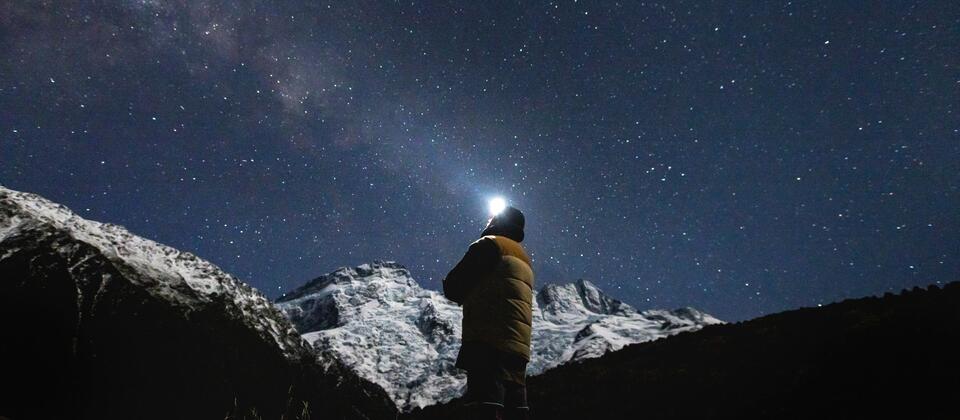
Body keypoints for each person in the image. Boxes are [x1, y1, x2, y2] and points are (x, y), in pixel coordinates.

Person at [443, 206, 534, 420]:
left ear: (498, 222)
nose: (487, 220)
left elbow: (454, 286)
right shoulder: (525, 259)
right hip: (518, 347)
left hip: (488, 340)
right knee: (516, 409)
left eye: (492, 217)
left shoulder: (489, 245)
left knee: (484, 406)